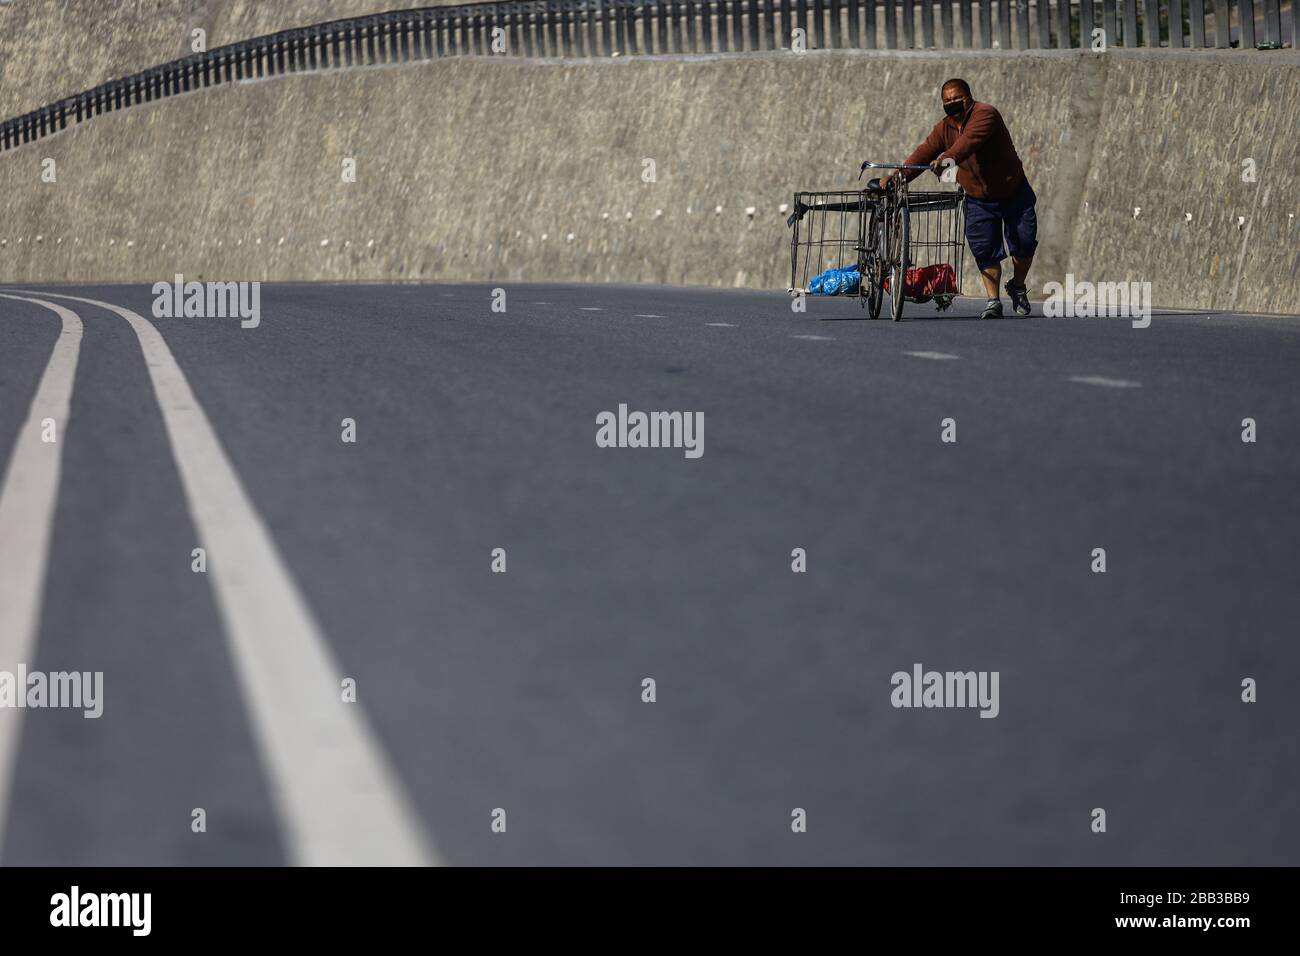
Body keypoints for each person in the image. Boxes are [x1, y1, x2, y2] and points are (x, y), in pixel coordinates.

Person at [877, 78, 1036, 319]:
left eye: (957, 98)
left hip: (1012, 190)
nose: (952, 103)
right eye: (947, 100)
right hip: (978, 198)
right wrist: (898, 176)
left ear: (969, 97)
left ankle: (1017, 285)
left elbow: (968, 143)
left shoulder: (986, 114)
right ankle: (993, 301)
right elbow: (923, 152)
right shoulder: (944, 127)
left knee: (1024, 244)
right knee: (985, 251)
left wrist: (946, 159)